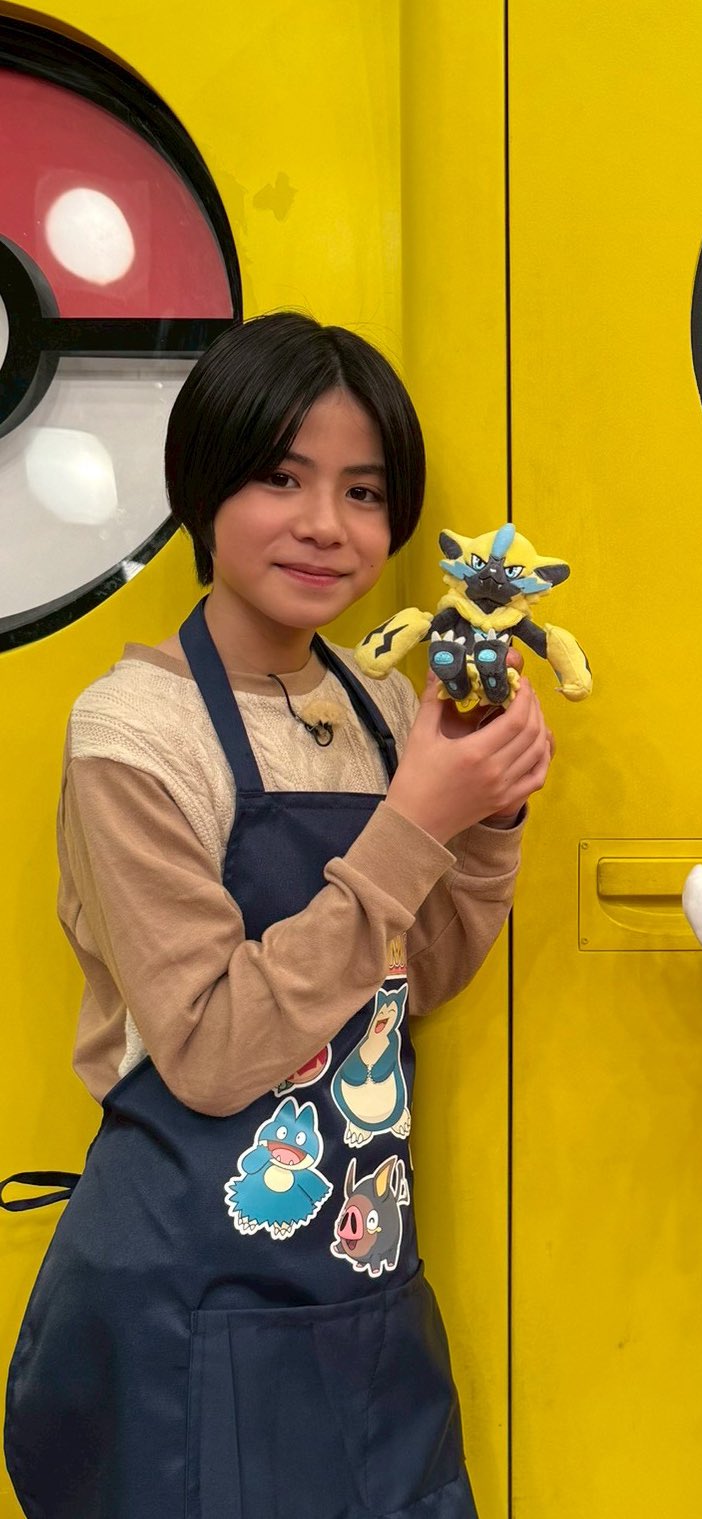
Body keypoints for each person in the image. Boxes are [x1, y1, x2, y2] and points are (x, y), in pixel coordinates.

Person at [2, 313, 551, 1518]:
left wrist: (489, 818)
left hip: (360, 1275)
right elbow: (208, 1049)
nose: (325, 524)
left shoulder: (385, 705)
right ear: (205, 489)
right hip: (183, 1298)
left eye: (364, 491)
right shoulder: (132, 731)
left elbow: (415, 976)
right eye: (280, 478)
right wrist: (418, 816)